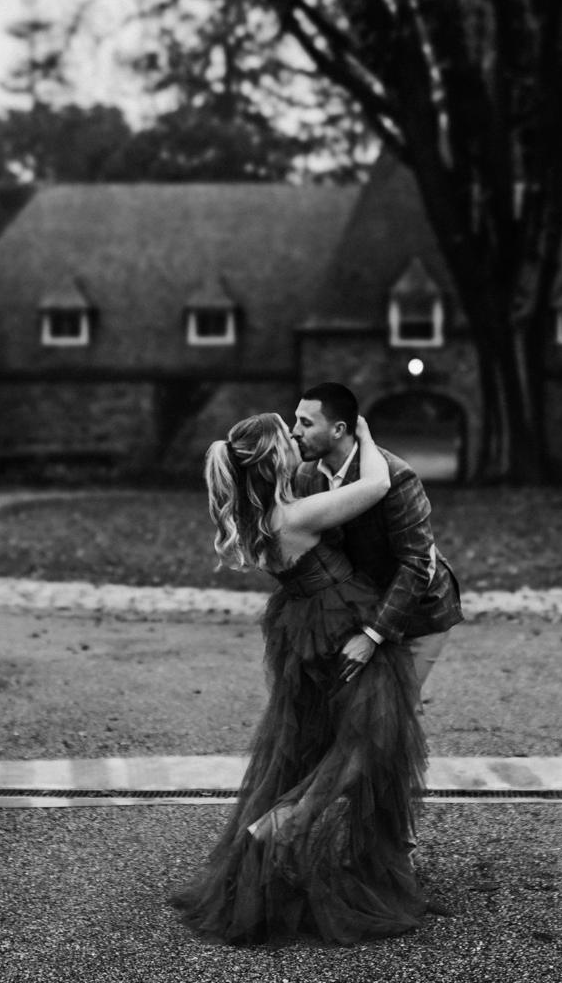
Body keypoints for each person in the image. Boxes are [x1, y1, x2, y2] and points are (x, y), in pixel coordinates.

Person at [170, 412, 429, 946]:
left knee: (327, 738)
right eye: (285, 438)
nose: (295, 438)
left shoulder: (262, 515)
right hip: (339, 621)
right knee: (372, 737)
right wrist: (363, 433)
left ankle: (305, 832)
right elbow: (377, 483)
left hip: (304, 624)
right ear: (272, 460)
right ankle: (286, 825)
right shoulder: (295, 515)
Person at [289, 382, 462, 693]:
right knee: (344, 714)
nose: (294, 432)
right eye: (295, 421)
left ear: (339, 429)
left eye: (306, 423)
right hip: (358, 608)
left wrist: (371, 636)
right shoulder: (305, 477)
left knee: (393, 716)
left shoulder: (395, 476)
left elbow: (417, 563)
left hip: (416, 613)